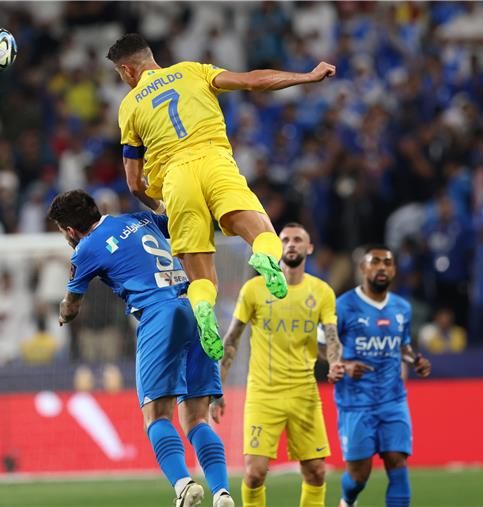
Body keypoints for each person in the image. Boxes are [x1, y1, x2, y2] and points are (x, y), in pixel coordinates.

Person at [106, 33, 337, 360]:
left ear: (127, 71)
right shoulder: (192, 70)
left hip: (176, 180)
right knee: (263, 235)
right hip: (215, 163)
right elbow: (253, 82)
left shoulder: (128, 106)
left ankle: (204, 312)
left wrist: (160, 206)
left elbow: (133, 183)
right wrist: (307, 76)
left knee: (201, 278)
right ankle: (266, 259)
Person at [48, 190, 233, 507]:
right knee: (196, 419)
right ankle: (222, 492)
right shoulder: (140, 218)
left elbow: (72, 305)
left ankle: (184, 486)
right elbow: (178, 223)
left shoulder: (86, 249)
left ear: (69, 230)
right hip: (194, 305)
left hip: (158, 315)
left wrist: (63, 313)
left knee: (156, 416)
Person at [210, 223, 345, 507]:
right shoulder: (254, 289)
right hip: (263, 394)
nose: (291, 244)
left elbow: (331, 337)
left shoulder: (321, 292)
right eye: (285, 240)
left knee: (316, 471)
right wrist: (217, 388)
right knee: (255, 473)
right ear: (277, 247)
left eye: (298, 240)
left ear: (309, 248)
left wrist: (335, 363)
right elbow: (231, 340)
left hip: (304, 393)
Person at [334, 245, 432, 507]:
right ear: (363, 268)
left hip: (393, 399)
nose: (382, 267)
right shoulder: (343, 306)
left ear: (394, 270)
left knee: (397, 461)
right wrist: (344, 364)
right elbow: (322, 346)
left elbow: (403, 345)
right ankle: (347, 498)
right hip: (355, 402)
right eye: (375, 262)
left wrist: (415, 359)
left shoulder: (401, 308)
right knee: (359, 475)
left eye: (387, 263)